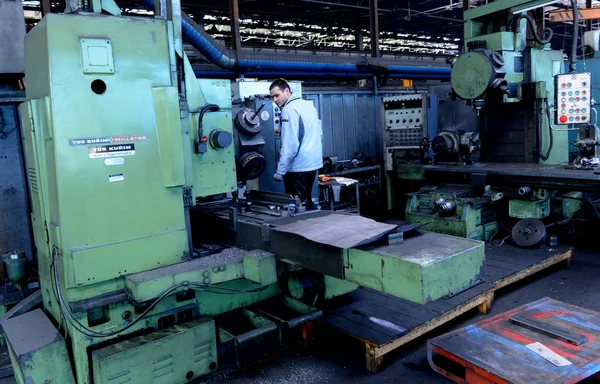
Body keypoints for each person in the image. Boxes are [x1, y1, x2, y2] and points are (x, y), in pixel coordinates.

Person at [270, 79, 323, 210]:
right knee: (307, 201)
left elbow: (290, 145)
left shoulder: (289, 109)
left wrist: (280, 171)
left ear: (287, 91)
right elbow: (319, 133)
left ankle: (304, 229)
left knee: (297, 207)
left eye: (277, 95)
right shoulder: (308, 106)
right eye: (272, 97)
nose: (275, 100)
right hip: (312, 163)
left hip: (298, 168)